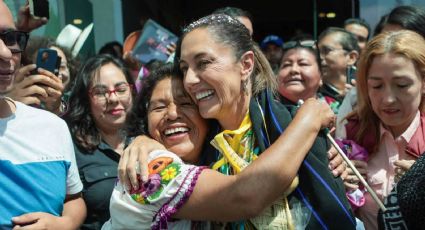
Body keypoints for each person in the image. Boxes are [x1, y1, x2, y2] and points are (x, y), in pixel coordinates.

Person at [120, 14, 355, 229]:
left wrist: (308, 124)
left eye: (203, 63)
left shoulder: (288, 125)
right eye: (184, 68)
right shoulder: (198, 142)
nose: (190, 79)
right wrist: (142, 141)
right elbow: (243, 196)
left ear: (246, 65)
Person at [104, 63, 336, 229]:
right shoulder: (149, 168)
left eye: (186, 103)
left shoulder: (217, 161)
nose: (172, 114)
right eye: (158, 107)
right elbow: (245, 196)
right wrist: (309, 120)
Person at [0, 1, 85, 228]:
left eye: (10, 38)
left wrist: (62, 224)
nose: (5, 52)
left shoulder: (52, 125)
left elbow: (74, 199)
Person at [339, 30, 425, 230]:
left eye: (402, 85)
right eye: (377, 86)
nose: (388, 99)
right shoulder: (350, 134)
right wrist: (339, 186)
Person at [63, 55, 135, 229]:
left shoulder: (149, 135)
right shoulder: (71, 147)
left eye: (120, 89)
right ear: (86, 99)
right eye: (100, 92)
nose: (113, 99)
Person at [318, 27, 360, 114]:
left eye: (326, 51)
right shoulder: (313, 93)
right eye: (317, 52)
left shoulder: (370, 86)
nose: (320, 57)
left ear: (351, 57)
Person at [277, 39, 322, 104]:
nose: (293, 70)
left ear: (321, 77)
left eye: (303, 64)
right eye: (286, 65)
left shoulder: (337, 111)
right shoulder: (262, 110)